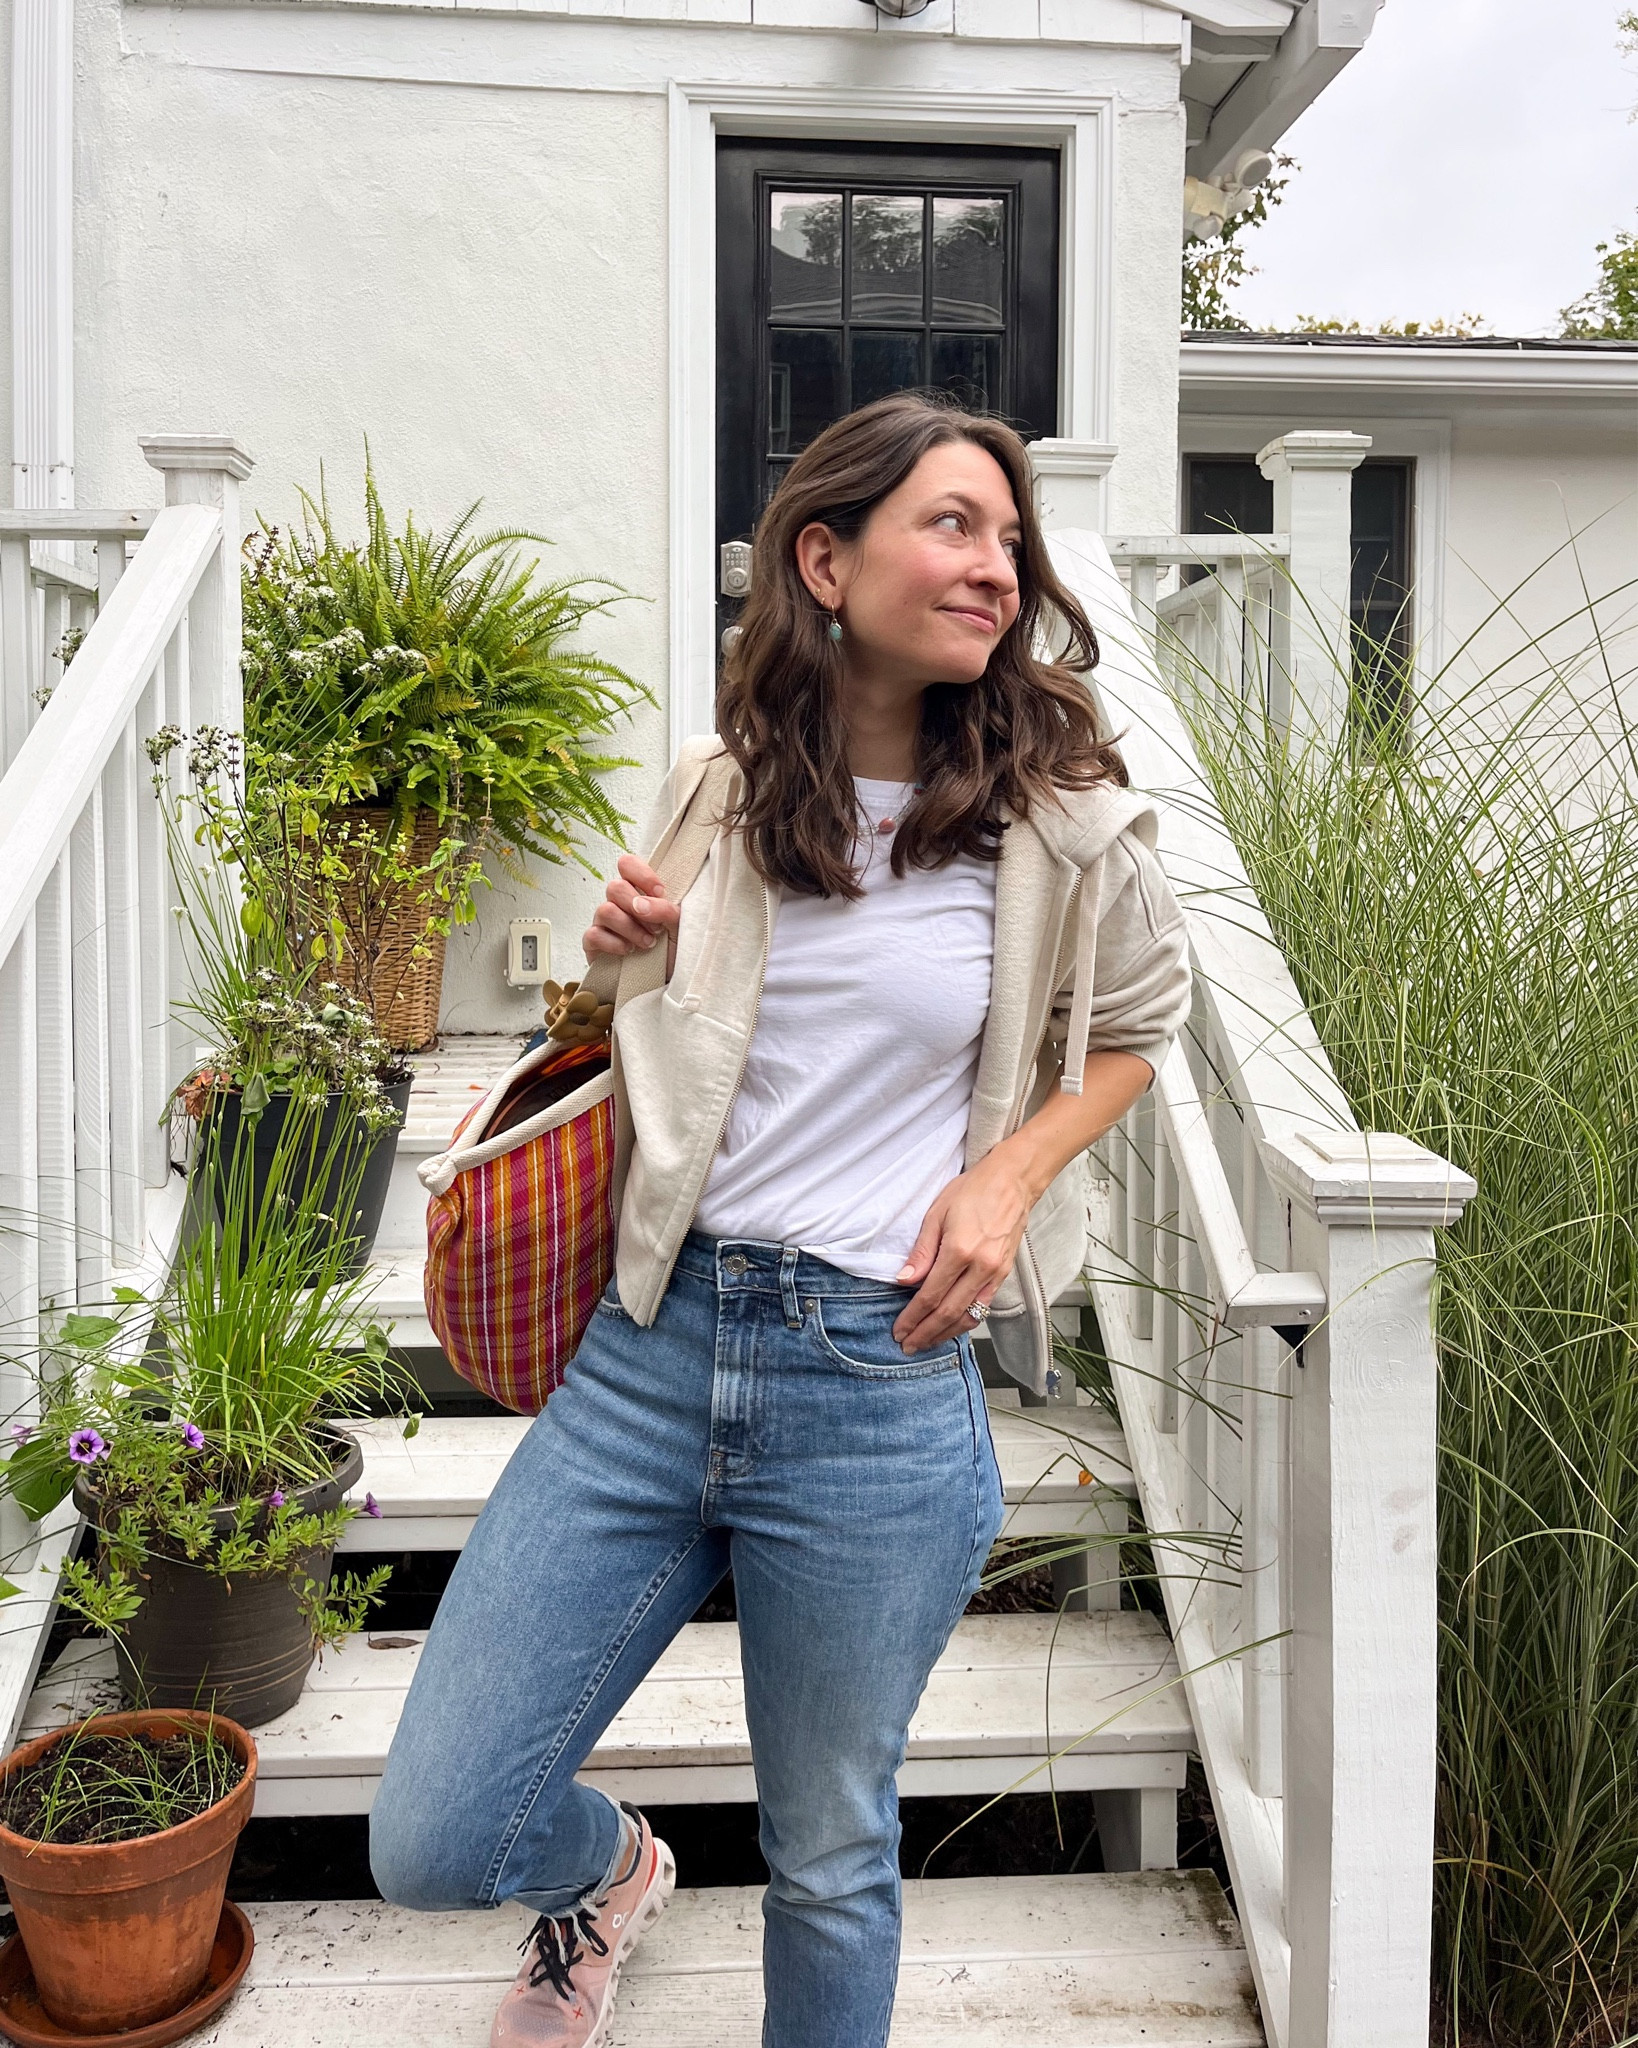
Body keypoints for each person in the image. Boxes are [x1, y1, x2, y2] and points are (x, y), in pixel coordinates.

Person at [369, 392, 1192, 2048]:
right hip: (650, 1354)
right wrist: (609, 956)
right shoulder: (719, 783)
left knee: (829, 1854)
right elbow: (622, 1030)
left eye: (1007, 536)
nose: (993, 566)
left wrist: (1007, 1172)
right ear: (824, 557)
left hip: (874, 1382)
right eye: (950, 525)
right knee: (438, 1834)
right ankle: (606, 1873)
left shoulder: (1063, 815)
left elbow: (1135, 1029)